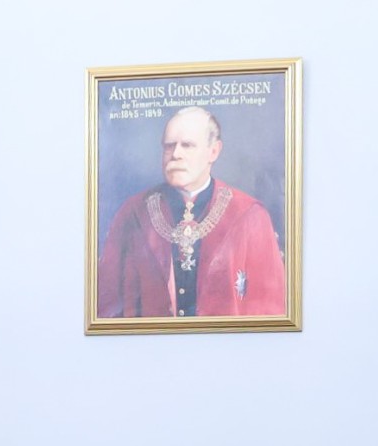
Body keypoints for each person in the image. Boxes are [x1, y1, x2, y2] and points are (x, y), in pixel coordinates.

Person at [96, 106, 287, 318]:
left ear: (213, 151)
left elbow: (269, 308)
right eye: (169, 146)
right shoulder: (133, 213)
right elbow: (106, 304)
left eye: (187, 145)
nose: (175, 154)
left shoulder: (250, 215)